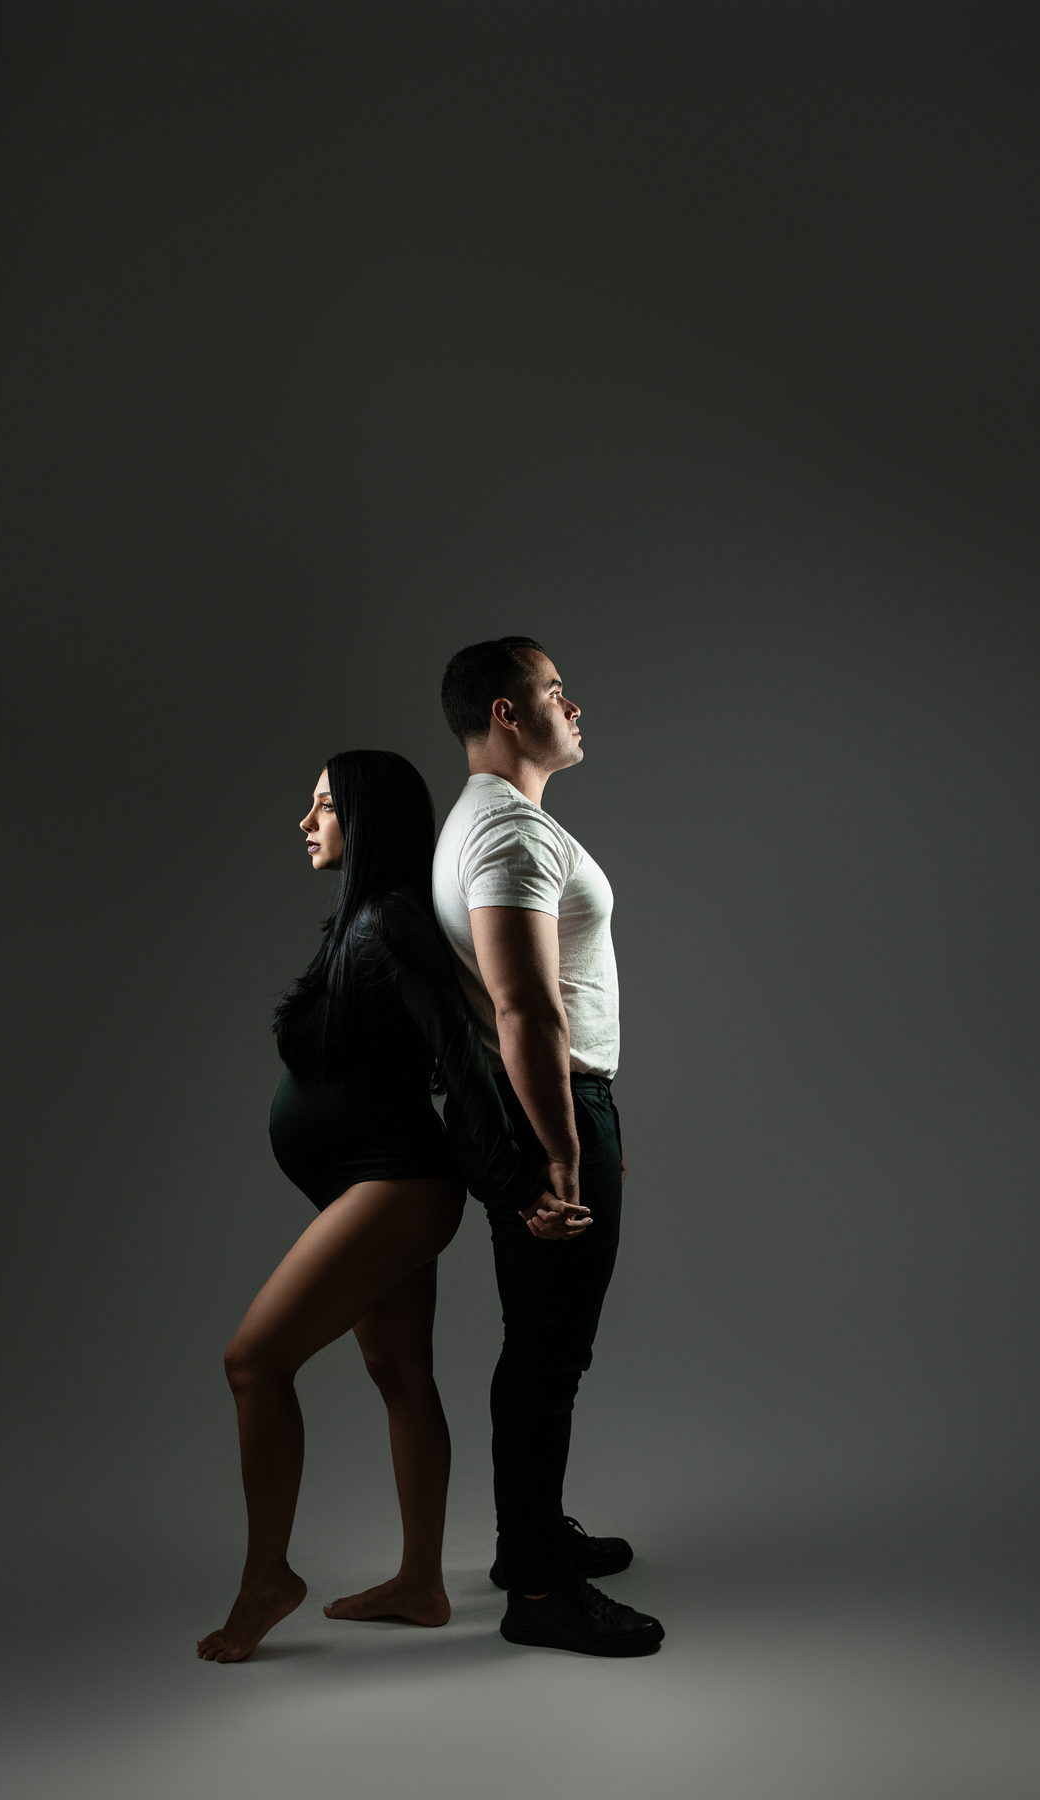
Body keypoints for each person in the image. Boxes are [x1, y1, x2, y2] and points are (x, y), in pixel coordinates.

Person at [198, 749, 551, 1663]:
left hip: (396, 1186)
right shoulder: (364, 919)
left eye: (323, 805)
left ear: (365, 816)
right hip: (372, 1183)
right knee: (400, 1373)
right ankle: (422, 1585)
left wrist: (516, 1183)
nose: (306, 821)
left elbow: (461, 1056)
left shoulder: (390, 919)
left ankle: (266, 1581)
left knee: (253, 1362)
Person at [433, 638, 664, 1657]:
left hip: (556, 1102)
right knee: (548, 1351)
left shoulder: (495, 822)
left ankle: (528, 1538)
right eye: (556, 692)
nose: (575, 708)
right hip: (549, 1105)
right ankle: (537, 1588)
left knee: (543, 1343)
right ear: (507, 712)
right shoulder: (508, 835)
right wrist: (564, 1156)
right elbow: (524, 1007)